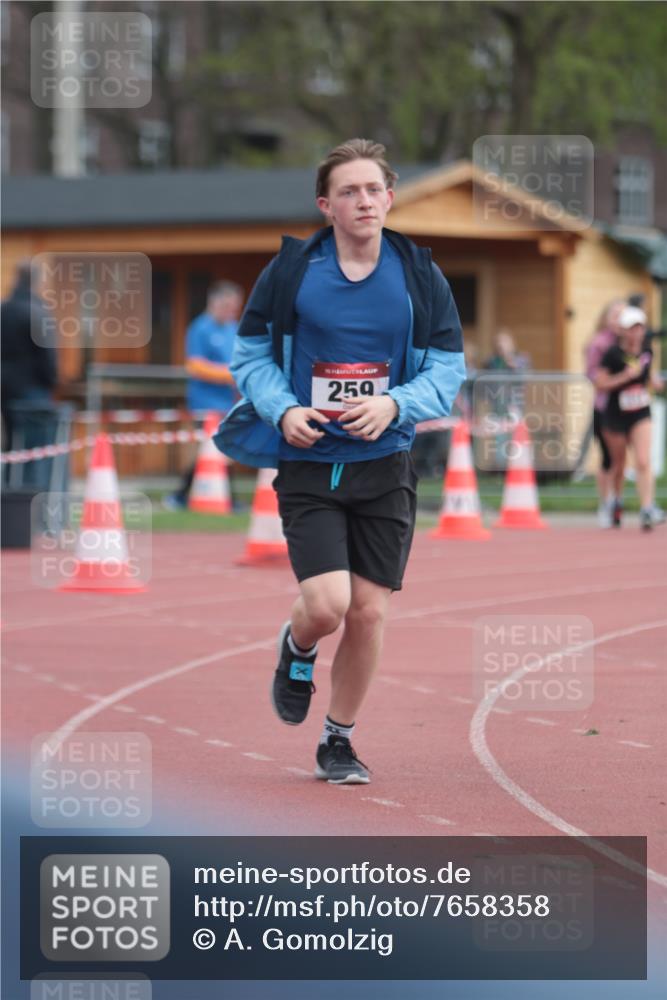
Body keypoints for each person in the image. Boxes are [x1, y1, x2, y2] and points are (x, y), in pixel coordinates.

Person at [216, 138, 465, 784]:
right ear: (326, 205)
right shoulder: (292, 271)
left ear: (390, 197)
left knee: (369, 611)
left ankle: (338, 740)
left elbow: (447, 368)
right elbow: (250, 356)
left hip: (385, 464)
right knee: (327, 606)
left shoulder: (419, 275)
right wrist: (282, 410)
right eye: (348, 191)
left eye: (373, 189)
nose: (364, 201)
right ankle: (297, 645)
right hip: (310, 463)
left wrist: (396, 404)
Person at [163, 281, 243, 509]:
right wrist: (229, 374)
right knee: (217, 448)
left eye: (235, 308)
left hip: (228, 402)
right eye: (228, 307)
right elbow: (195, 365)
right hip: (205, 402)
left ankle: (181, 495)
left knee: (216, 450)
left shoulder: (233, 327)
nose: (232, 312)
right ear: (215, 302)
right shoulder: (200, 328)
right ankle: (228, 499)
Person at [595, 306, 664, 531]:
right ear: (624, 331)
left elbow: (649, 377)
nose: (636, 333)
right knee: (619, 464)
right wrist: (624, 377)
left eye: (640, 328)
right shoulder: (612, 354)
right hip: (615, 415)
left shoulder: (647, 350)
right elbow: (600, 383)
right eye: (632, 328)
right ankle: (615, 501)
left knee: (643, 460)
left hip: (640, 412)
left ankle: (647, 508)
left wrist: (656, 383)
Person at [1, 260, 58, 487]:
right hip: (33, 389)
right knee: (36, 450)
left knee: (12, 447)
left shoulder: (4, 310)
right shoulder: (37, 312)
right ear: (36, 281)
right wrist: (52, 381)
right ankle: (32, 497)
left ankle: (9, 496)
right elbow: (47, 356)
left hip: (5, 388)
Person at [583, 298, 624, 528]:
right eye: (615, 315)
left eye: (622, 315)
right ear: (606, 319)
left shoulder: (630, 343)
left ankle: (617, 500)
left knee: (621, 458)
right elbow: (591, 374)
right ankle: (606, 502)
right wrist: (612, 379)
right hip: (604, 407)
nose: (619, 320)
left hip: (627, 409)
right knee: (608, 458)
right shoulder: (599, 343)